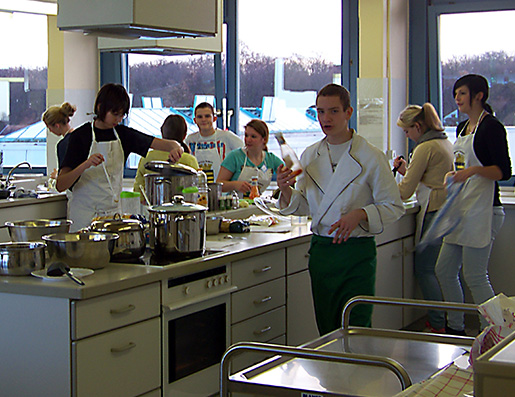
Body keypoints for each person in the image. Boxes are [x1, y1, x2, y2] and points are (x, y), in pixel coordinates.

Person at [276, 83, 404, 334]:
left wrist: (361, 214)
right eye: (320, 112)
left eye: (333, 111)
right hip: (323, 253)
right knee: (327, 327)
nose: (326, 119)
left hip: (356, 254)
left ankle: (359, 372)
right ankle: (331, 374)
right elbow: (305, 205)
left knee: (356, 329)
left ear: (348, 112)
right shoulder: (311, 155)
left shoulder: (370, 156)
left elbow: (393, 206)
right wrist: (285, 189)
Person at [435, 74, 512, 335]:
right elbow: (461, 166)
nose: (457, 98)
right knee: (444, 269)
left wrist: (472, 172)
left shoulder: (492, 127)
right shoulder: (461, 128)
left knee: (475, 276)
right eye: (456, 93)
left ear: (479, 96)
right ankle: (455, 328)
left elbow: (503, 171)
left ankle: (494, 334)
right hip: (462, 210)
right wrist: (453, 175)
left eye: (462, 93)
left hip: (485, 211)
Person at [57, 83, 183, 232]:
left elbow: (166, 144)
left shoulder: (123, 135)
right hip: (83, 220)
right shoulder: (80, 136)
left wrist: (177, 147)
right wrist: (86, 164)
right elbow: (61, 184)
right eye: (115, 113)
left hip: (112, 220)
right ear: (100, 107)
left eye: (122, 114)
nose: (118, 119)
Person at [393, 103, 454, 334]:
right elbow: (429, 177)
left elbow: (405, 191)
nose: (407, 136)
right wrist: (407, 172)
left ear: (417, 126)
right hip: (446, 210)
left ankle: (437, 323)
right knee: (444, 270)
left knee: (426, 269)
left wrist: (381, 189)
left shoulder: (424, 148)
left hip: (434, 211)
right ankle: (449, 321)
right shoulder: (444, 142)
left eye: (407, 131)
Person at [133, 114, 199, 196]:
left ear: (162, 132)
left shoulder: (147, 156)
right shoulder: (189, 159)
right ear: (184, 135)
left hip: (152, 205)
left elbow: (138, 188)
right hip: (183, 206)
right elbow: (197, 189)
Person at [216, 119, 284, 196]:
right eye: (246, 135)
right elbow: (219, 185)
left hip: (256, 204)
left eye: (253, 137)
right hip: (235, 204)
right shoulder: (235, 156)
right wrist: (235, 185)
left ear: (264, 139)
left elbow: (287, 173)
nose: (248, 140)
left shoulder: (271, 159)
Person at [185, 102, 243, 183]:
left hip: (223, 189)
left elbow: (244, 153)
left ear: (214, 118)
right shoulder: (190, 140)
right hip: (198, 188)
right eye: (200, 117)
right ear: (195, 120)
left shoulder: (226, 136)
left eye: (207, 116)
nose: (203, 119)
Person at [42, 102, 77, 174]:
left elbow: (66, 175)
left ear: (57, 126)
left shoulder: (63, 145)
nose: (51, 131)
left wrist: (57, 176)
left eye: (49, 128)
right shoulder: (81, 137)